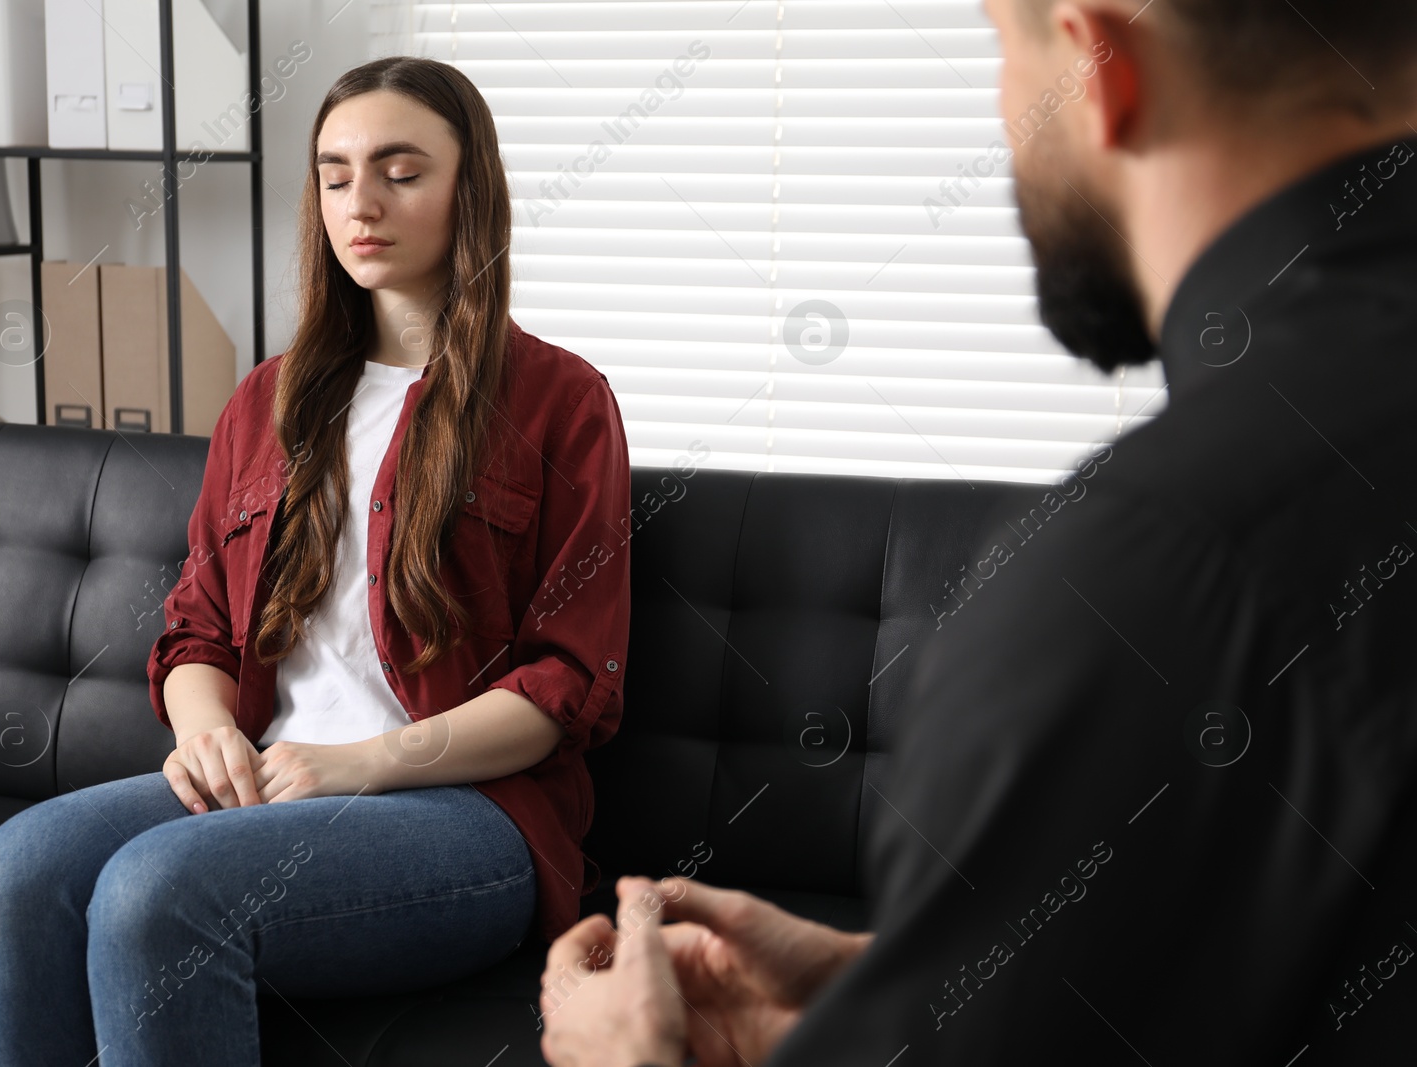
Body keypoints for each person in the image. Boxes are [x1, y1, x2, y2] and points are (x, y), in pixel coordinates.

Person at [537, 0, 1417, 1064]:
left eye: (1002, 50)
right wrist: (902, 982)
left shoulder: (1142, 576)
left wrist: (642, 1057)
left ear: (1097, 65)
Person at [0, 56, 631, 1066]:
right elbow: (195, 628)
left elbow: (568, 682)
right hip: (271, 779)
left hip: (468, 814)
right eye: (335, 172)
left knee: (157, 894)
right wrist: (208, 731)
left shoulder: (561, 402)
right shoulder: (265, 402)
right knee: (11, 874)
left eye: (401, 171)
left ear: (468, 190)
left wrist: (356, 765)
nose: (361, 201)